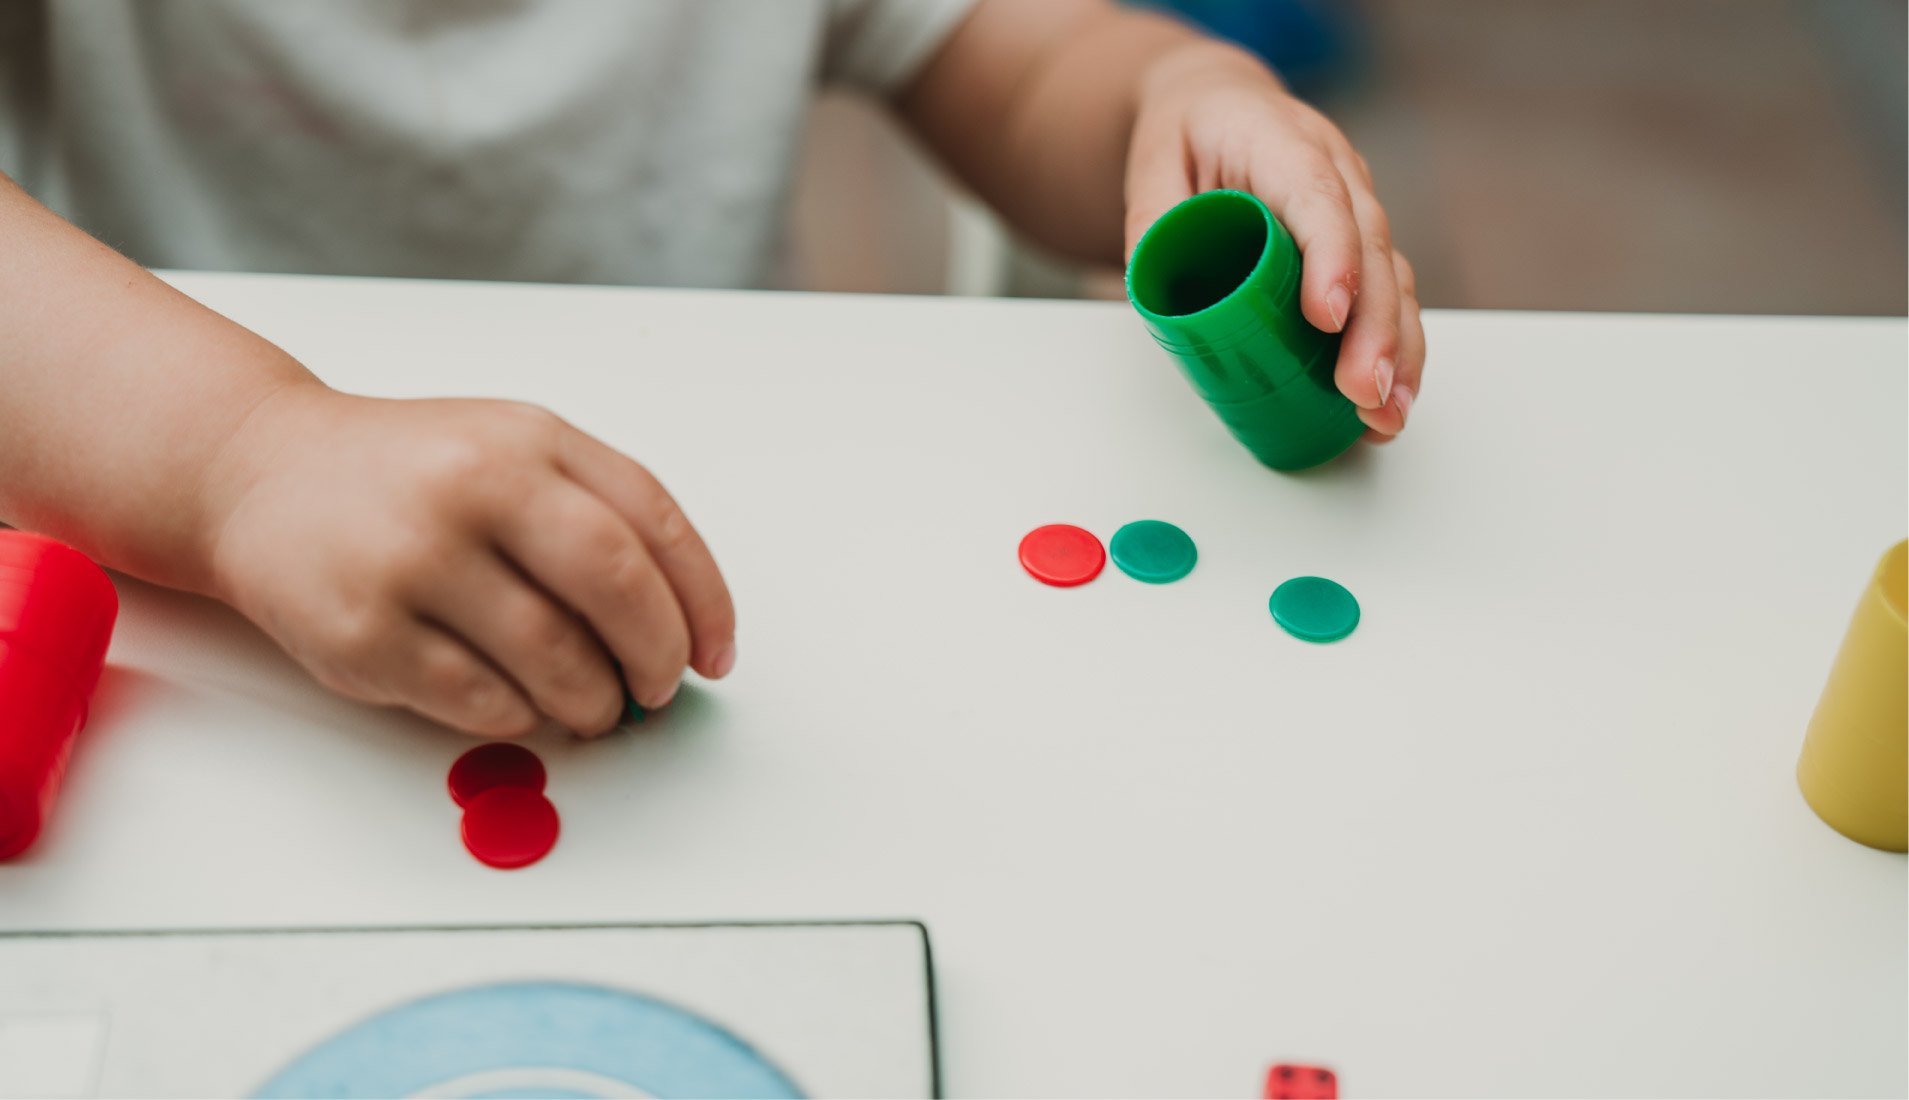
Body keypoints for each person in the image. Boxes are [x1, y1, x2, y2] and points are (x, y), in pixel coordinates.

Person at [0, 0, 1423, 738]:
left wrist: (1171, 95)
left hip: (734, 593)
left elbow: (1027, 60)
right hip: (191, 613)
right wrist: (243, 459)